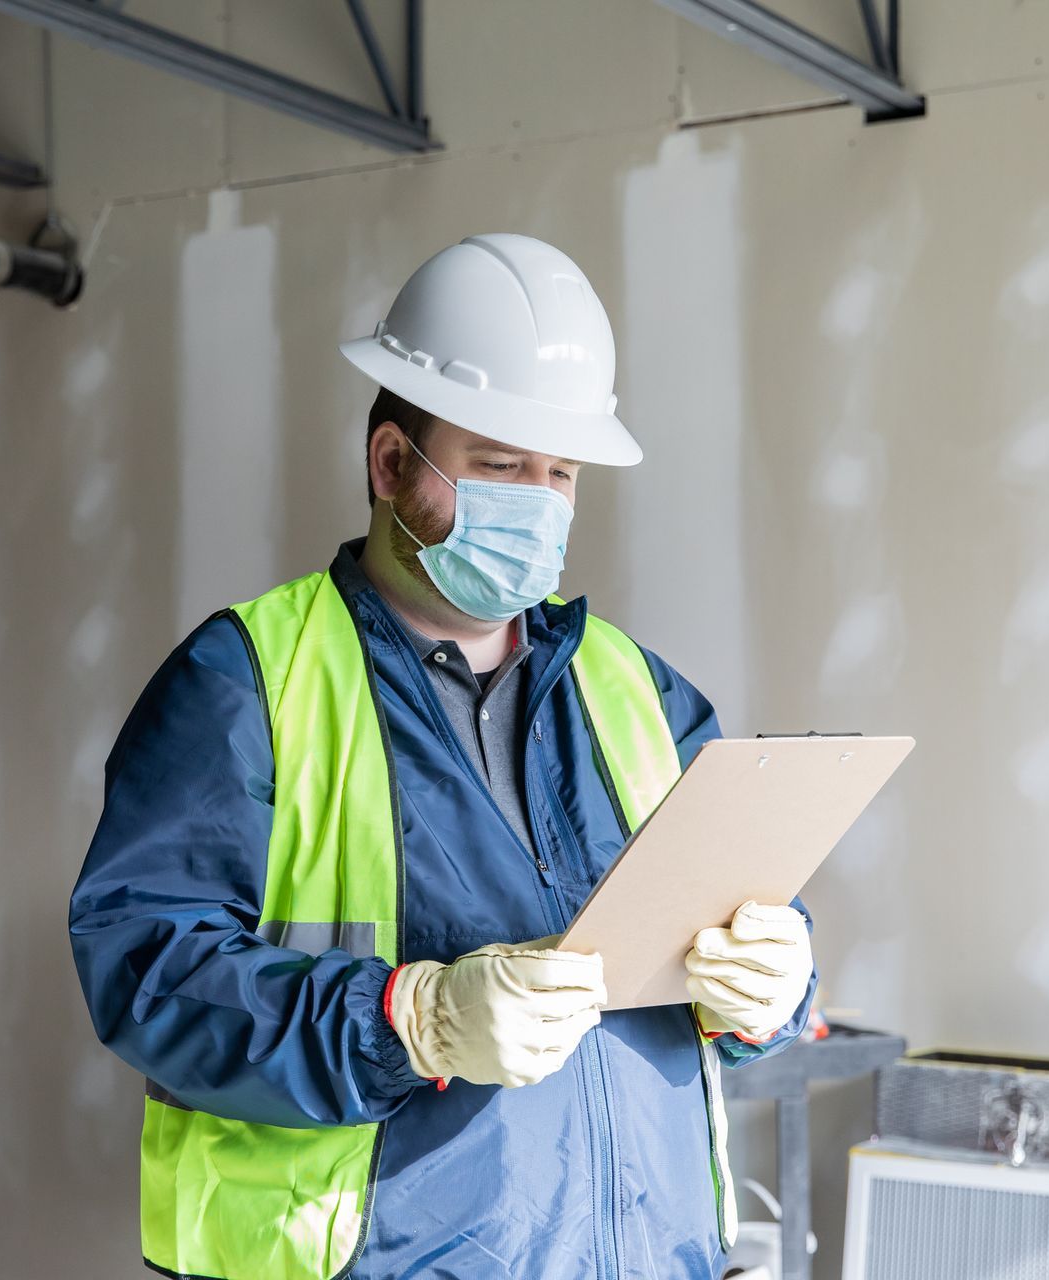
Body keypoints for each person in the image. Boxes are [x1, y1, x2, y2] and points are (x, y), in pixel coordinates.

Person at [70, 233, 817, 1280]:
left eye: (559, 471)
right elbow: (145, 966)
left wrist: (777, 985)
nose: (539, 501)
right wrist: (408, 1018)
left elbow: (731, 913)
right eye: (500, 464)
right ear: (389, 464)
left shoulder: (638, 688)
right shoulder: (247, 679)